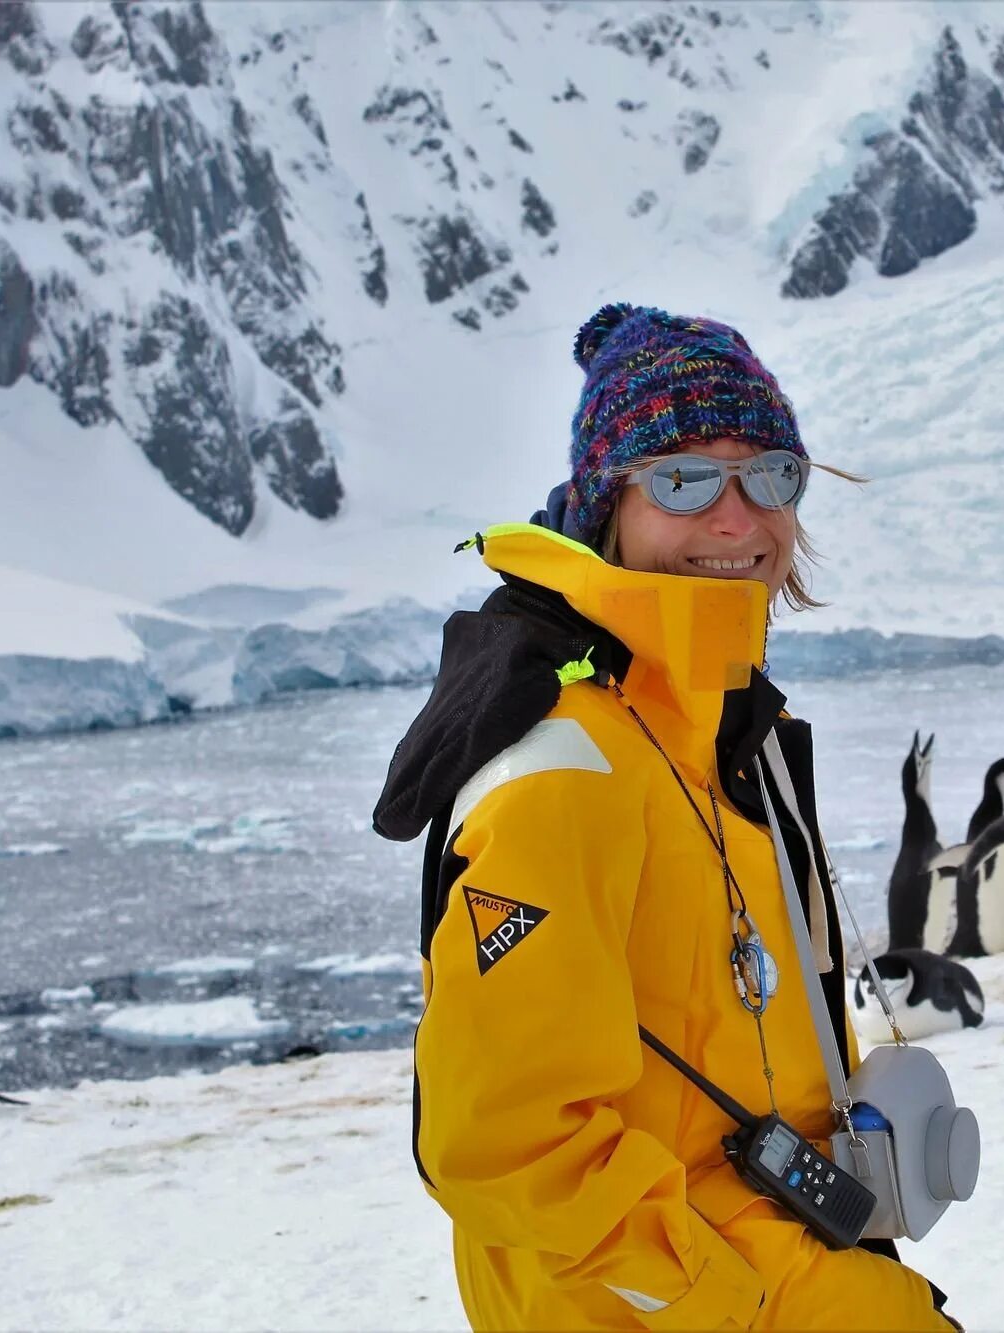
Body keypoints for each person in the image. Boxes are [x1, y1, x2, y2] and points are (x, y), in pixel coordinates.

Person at [373, 303, 957, 1331]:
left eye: (771, 473)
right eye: (683, 478)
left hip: (791, 1272)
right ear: (608, 505)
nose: (740, 519)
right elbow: (502, 1142)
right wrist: (718, 1303)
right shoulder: (566, 766)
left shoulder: (719, 732)